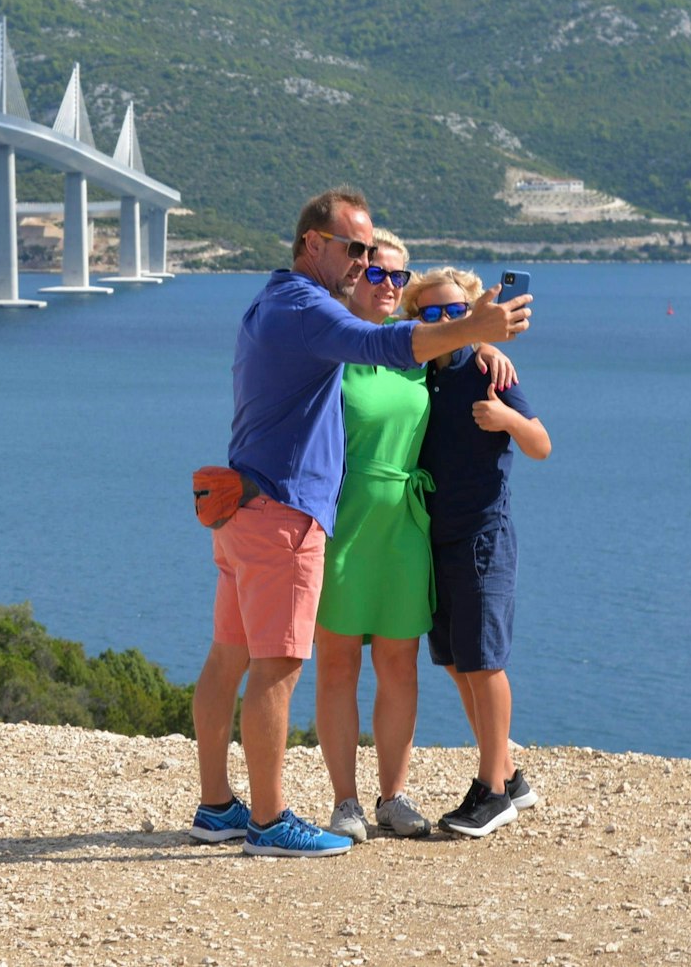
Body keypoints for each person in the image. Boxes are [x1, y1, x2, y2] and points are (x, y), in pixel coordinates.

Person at [189, 189, 532, 858]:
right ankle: (267, 818)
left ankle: (216, 805)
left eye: (376, 254)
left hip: (249, 505)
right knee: (279, 666)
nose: (365, 261)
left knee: (229, 655)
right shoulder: (306, 308)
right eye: (356, 249)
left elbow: (415, 357)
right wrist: (472, 326)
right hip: (284, 510)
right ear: (313, 244)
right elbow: (384, 341)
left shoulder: (273, 301)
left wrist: (480, 348)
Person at [311, 232, 516, 843]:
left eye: (398, 277)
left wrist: (485, 343)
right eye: (376, 273)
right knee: (339, 666)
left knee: (400, 665)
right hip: (344, 523)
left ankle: (393, 796)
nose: (388, 285)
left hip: (406, 525)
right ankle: (344, 801)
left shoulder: (417, 352)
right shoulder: (329, 347)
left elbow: (458, 352)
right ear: (354, 274)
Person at [406, 266, 552, 839]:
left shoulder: (489, 369)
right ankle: (510, 774)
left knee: (485, 659)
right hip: (432, 537)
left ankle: (492, 790)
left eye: (455, 313)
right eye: (432, 314)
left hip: (482, 534)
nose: (444, 323)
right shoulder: (418, 372)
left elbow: (540, 444)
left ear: (471, 314)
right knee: (453, 658)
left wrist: (506, 417)